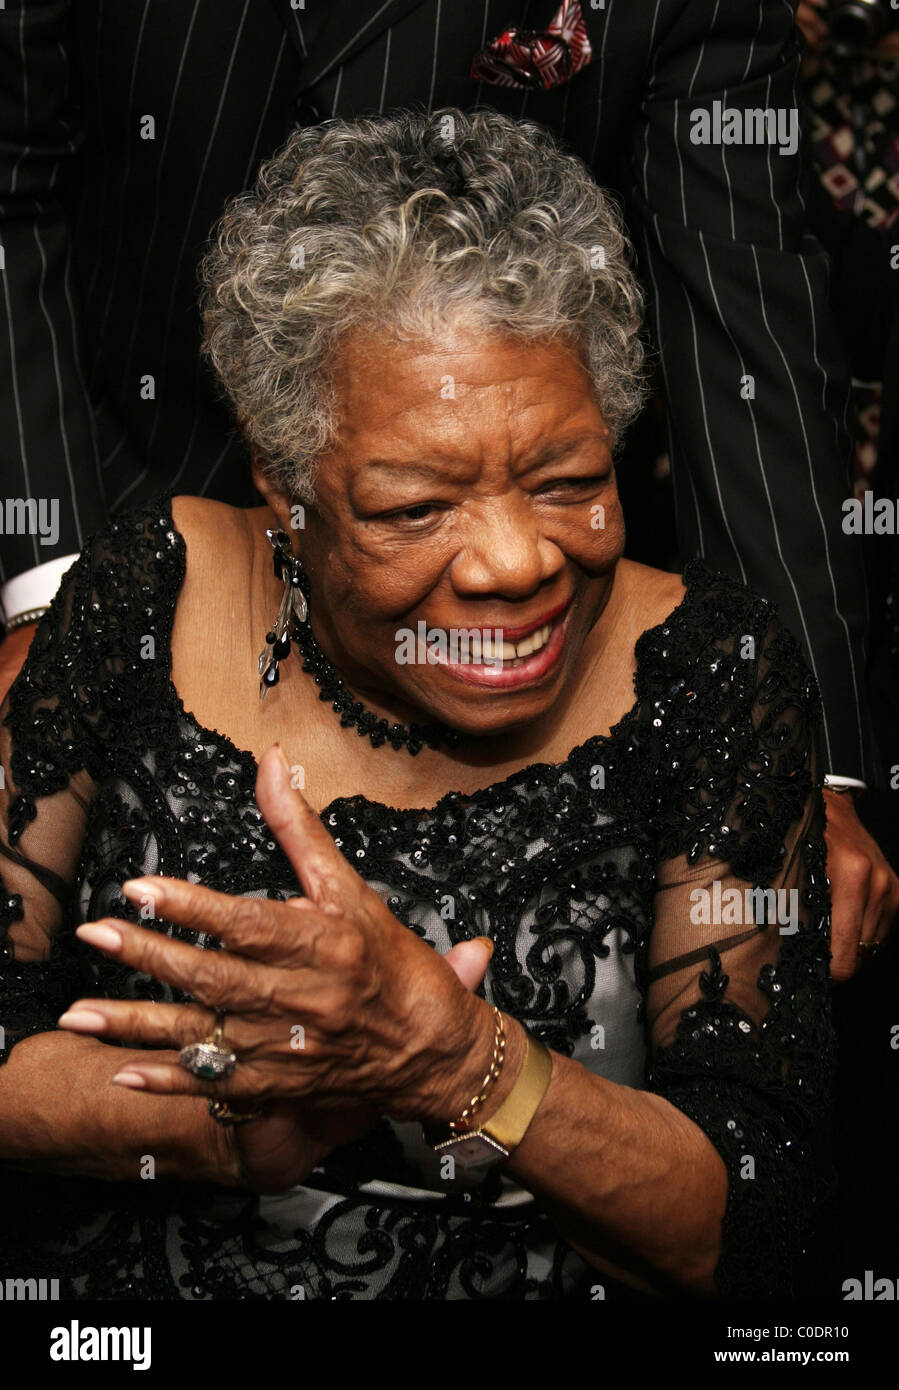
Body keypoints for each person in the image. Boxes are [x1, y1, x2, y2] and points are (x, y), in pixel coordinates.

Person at [0, 110, 836, 1300]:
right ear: (285, 490)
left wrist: (463, 1063)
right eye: (411, 508)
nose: (512, 562)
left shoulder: (714, 670)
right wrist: (229, 1120)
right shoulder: (146, 596)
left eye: (567, 482)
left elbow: (753, 1227)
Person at [0, 0, 895, 979]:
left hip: (532, 656)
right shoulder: (117, 601)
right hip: (111, 479)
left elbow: (741, 308)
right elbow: (10, 185)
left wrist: (808, 765)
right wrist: (54, 601)